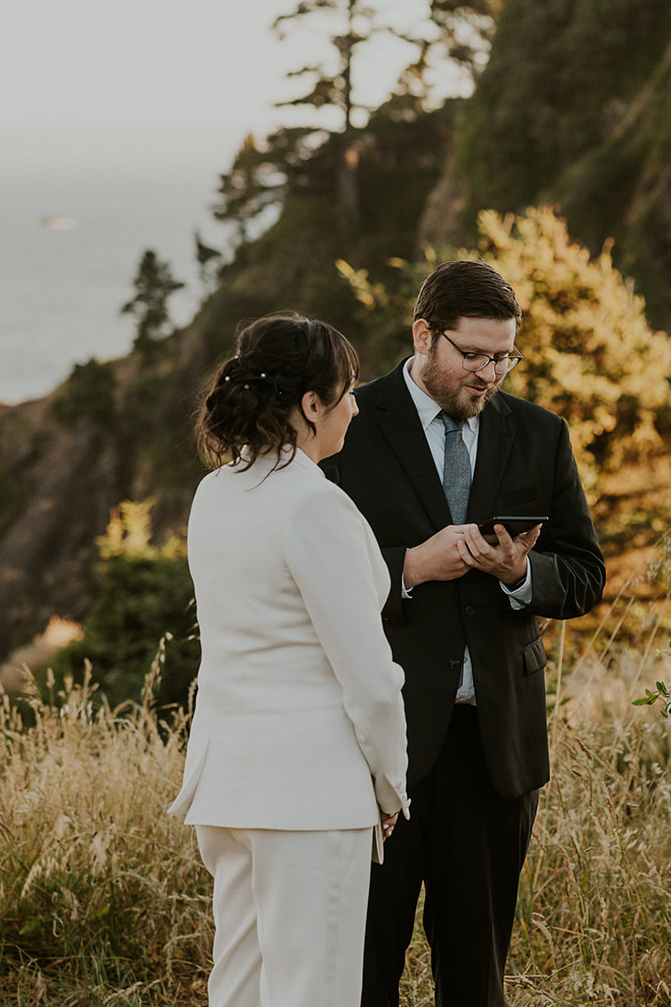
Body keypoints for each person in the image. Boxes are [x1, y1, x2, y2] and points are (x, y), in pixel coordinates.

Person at [320, 259, 605, 1007]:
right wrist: (409, 565)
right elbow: (309, 573)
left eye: (502, 355)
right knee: (360, 972)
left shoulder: (540, 433)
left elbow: (583, 573)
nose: (489, 372)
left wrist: (521, 575)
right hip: (375, 750)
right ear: (424, 334)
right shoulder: (349, 423)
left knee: (477, 982)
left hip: (493, 751)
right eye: (472, 354)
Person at [168, 313, 409, 1007]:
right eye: (348, 390)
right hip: (307, 793)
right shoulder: (313, 505)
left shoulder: (215, 492)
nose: (356, 405)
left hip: (229, 786)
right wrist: (390, 782)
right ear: (311, 404)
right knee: (314, 994)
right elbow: (368, 676)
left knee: (238, 990)